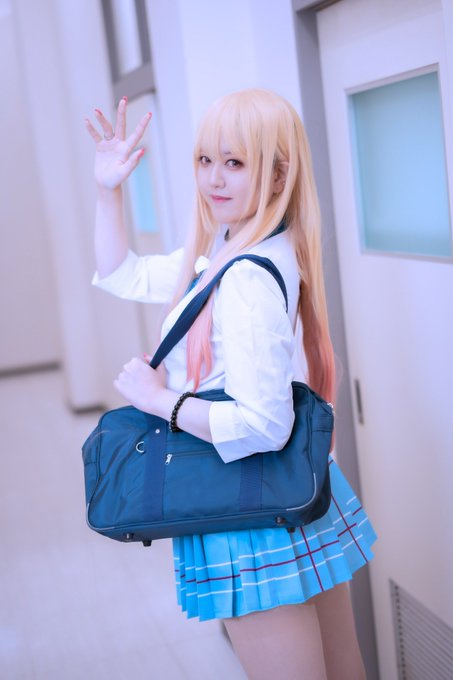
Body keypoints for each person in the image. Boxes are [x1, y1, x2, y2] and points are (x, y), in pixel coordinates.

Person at [84, 89, 377, 680]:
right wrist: (108, 190)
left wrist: (158, 399)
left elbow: (263, 425)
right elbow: (124, 274)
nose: (213, 179)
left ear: (278, 175)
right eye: (205, 160)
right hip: (279, 495)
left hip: (247, 508)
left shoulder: (244, 277)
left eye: (235, 162)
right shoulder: (233, 246)